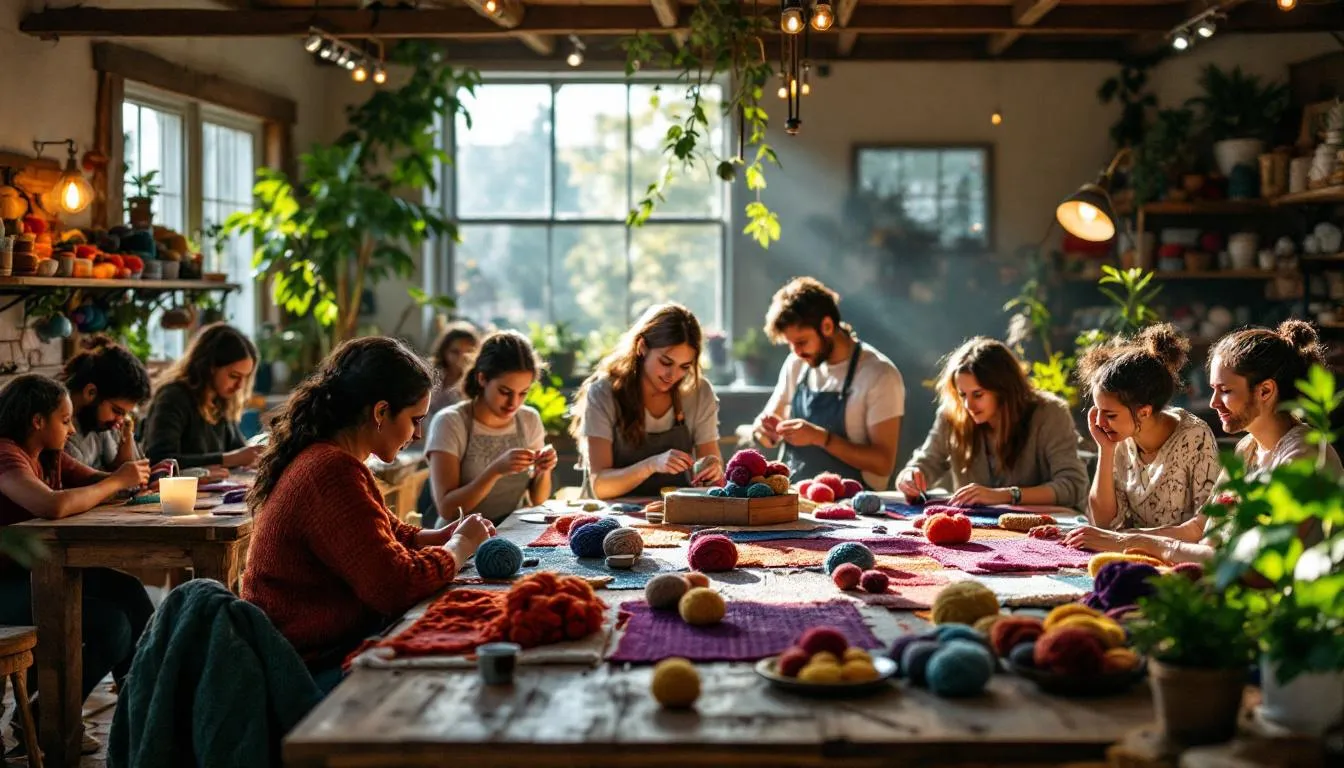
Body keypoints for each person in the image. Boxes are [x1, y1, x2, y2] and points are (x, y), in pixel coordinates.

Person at [242, 336, 493, 691]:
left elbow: (378, 532)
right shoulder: (329, 471)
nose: (418, 433)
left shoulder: (332, 459)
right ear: (380, 412)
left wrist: (430, 538)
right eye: (414, 419)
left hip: (315, 653)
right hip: (303, 673)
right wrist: (458, 549)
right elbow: (394, 586)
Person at [1064, 320, 1341, 560]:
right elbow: (1200, 528)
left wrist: (1132, 542)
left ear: (1265, 391)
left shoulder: (1303, 457)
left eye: (1225, 390)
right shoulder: (1249, 449)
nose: (1213, 402)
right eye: (1213, 389)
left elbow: (1258, 568)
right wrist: (1111, 538)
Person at [0, 374, 152, 754]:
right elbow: (51, 504)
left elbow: (100, 483)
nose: (70, 430)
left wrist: (134, 483)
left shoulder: (49, 455)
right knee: (112, 625)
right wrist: (116, 482)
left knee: (128, 591)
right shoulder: (6, 454)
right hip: (6, 585)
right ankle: (49, 714)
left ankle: (146, 713)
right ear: (38, 421)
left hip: (37, 574)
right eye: (65, 420)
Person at [896, 337, 1088, 510]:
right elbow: (926, 462)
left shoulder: (1050, 414)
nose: (968, 404)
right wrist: (910, 477)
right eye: (962, 394)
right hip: (974, 534)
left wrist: (1005, 495)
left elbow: (1072, 485)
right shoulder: (953, 414)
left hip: (1041, 529)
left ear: (1004, 390)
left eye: (978, 394)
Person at [751, 277, 905, 490]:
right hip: (795, 498)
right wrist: (764, 431)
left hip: (855, 506)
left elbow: (883, 464)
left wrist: (820, 438)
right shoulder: (797, 364)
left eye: (802, 342)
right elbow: (768, 425)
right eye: (790, 345)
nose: (796, 352)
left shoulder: (879, 375)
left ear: (827, 325)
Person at [1076, 324, 1221, 533]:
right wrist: (1105, 450)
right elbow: (1103, 523)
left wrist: (1135, 539)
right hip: (1133, 553)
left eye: (1110, 414)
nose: (1099, 421)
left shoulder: (1194, 438)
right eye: (1097, 410)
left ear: (1144, 412)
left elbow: (1206, 527)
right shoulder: (1120, 439)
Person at [571, 303, 723, 499]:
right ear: (641, 347)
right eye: (666, 362)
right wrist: (652, 464)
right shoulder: (604, 392)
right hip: (611, 518)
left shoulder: (699, 392)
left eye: (684, 366)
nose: (673, 375)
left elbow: (711, 472)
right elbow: (600, 486)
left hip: (676, 514)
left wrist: (713, 470)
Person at [424, 330, 556, 526]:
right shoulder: (451, 422)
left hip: (512, 531)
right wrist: (494, 470)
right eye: (505, 391)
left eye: (523, 393)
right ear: (482, 379)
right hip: (458, 537)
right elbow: (448, 509)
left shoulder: (529, 419)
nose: (514, 402)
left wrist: (544, 470)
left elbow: (538, 500)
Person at [141, 323, 262, 470]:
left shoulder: (221, 400)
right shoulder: (173, 397)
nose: (240, 386)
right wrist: (228, 459)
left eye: (245, 377)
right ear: (209, 367)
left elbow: (239, 452)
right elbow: (159, 459)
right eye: (234, 376)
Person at [58, 334, 152, 471]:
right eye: (117, 411)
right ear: (91, 392)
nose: (119, 420)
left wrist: (127, 434)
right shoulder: (56, 428)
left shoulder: (99, 422)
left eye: (125, 414)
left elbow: (124, 470)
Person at [427, 321, 480, 419]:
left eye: (468, 352)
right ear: (444, 351)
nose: (461, 358)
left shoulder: (477, 382)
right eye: (455, 352)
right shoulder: (430, 373)